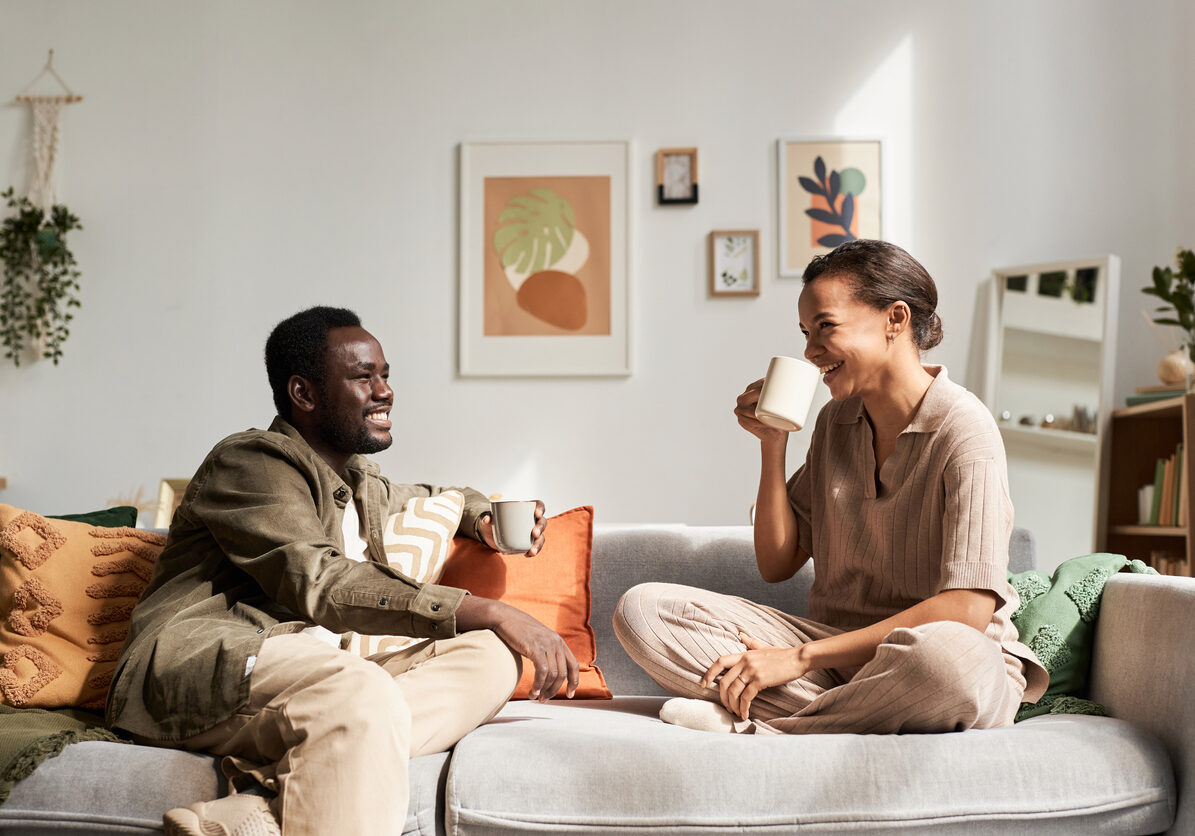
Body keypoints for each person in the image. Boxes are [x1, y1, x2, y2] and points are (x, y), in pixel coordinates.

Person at [107, 306, 578, 836]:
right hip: (207, 667)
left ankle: (265, 803)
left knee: (491, 657)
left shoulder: (358, 481)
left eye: (385, 375)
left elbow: (439, 496)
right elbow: (322, 582)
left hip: (316, 675)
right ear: (303, 394)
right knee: (364, 690)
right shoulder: (250, 463)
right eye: (363, 377)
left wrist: (484, 519)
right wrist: (487, 610)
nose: (385, 391)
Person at [613, 240, 1048, 735]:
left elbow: (967, 611)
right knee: (643, 611)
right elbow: (777, 563)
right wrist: (772, 444)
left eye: (826, 327)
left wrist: (797, 659)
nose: (809, 351)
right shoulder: (835, 422)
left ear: (895, 319)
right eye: (805, 332)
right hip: (837, 654)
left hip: (938, 659)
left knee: (947, 662)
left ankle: (768, 726)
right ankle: (854, 712)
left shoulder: (964, 428)